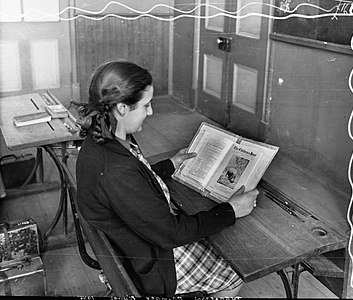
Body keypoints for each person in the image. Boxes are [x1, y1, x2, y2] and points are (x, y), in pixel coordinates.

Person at [75, 60, 259, 297]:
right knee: (234, 273)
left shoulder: (103, 138)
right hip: (153, 266)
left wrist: (170, 165)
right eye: (146, 105)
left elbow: (132, 182)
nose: (150, 112)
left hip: (136, 248)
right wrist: (231, 210)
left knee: (205, 229)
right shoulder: (115, 169)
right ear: (121, 108)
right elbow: (171, 234)